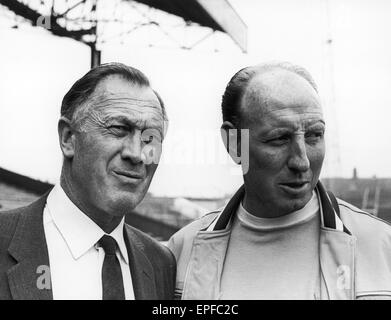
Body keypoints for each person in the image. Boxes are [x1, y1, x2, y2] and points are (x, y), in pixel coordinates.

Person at [168, 62, 391, 300]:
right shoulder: (180, 253)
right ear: (234, 144)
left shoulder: (382, 247)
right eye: (280, 138)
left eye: (315, 135)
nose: (302, 161)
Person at [0, 63, 175, 300]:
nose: (136, 154)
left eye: (150, 137)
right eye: (119, 129)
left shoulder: (160, 264)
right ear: (68, 138)